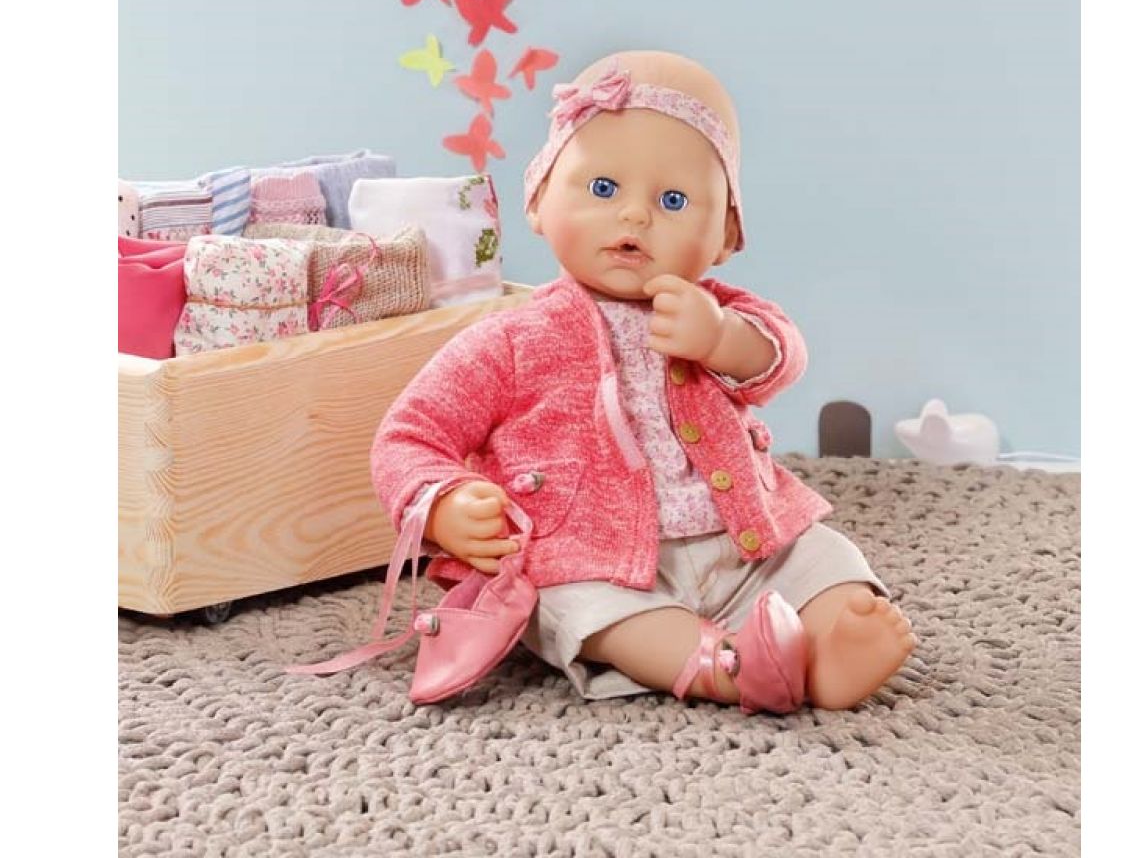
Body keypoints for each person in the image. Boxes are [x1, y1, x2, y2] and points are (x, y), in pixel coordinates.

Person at [370, 51, 915, 712]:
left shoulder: (713, 313)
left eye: (673, 201)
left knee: (822, 557)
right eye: (603, 189)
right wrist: (446, 502)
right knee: (581, 610)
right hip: (596, 563)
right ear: (538, 200)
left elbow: (781, 356)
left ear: (726, 235)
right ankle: (723, 667)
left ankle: (829, 649)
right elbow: (409, 435)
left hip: (741, 542)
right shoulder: (509, 341)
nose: (634, 216)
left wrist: (722, 338)